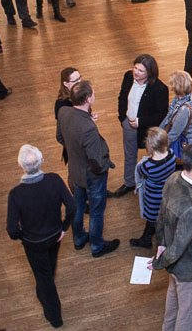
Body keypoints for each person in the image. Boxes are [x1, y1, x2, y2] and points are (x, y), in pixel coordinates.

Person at [6, 144, 75, 329]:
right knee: (48, 268)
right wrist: (63, 228)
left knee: (44, 277)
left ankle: (55, 317)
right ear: (41, 161)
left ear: (21, 165)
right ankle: (43, 291)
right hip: (54, 237)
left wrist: (24, 237)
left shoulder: (16, 194)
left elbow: (11, 230)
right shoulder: (54, 180)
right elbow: (73, 206)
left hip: (33, 243)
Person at [151, 143, 192, 331]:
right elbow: (180, 245)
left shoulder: (173, 178)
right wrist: (159, 262)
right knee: (188, 319)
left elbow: (161, 215)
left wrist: (162, 244)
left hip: (176, 268)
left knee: (172, 308)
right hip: (191, 270)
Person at [55, 80, 120, 258]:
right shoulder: (88, 128)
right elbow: (96, 161)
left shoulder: (64, 112)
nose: (94, 96)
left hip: (74, 170)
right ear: (88, 99)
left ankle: (78, 239)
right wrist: (104, 168)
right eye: (93, 94)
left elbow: (60, 137)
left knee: (77, 207)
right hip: (91, 175)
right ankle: (97, 246)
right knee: (97, 212)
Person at [113, 54, 169, 198]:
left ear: (149, 73)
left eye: (140, 70)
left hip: (149, 130)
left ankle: (154, 182)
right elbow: (122, 97)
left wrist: (140, 122)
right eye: (135, 68)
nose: (136, 72)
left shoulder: (159, 88)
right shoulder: (128, 77)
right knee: (129, 154)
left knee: (153, 155)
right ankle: (129, 182)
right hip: (129, 125)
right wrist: (122, 118)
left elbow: (161, 114)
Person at [130, 126, 176, 249]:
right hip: (166, 193)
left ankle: (150, 241)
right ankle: (147, 238)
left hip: (152, 197)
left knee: (153, 219)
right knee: (160, 216)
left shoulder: (147, 165)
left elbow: (140, 173)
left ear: (150, 145)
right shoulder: (171, 155)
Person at [160, 71, 192, 159]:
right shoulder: (180, 99)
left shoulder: (185, 109)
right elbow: (169, 116)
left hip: (187, 147)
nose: (171, 88)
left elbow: (175, 133)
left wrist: (160, 145)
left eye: (172, 84)